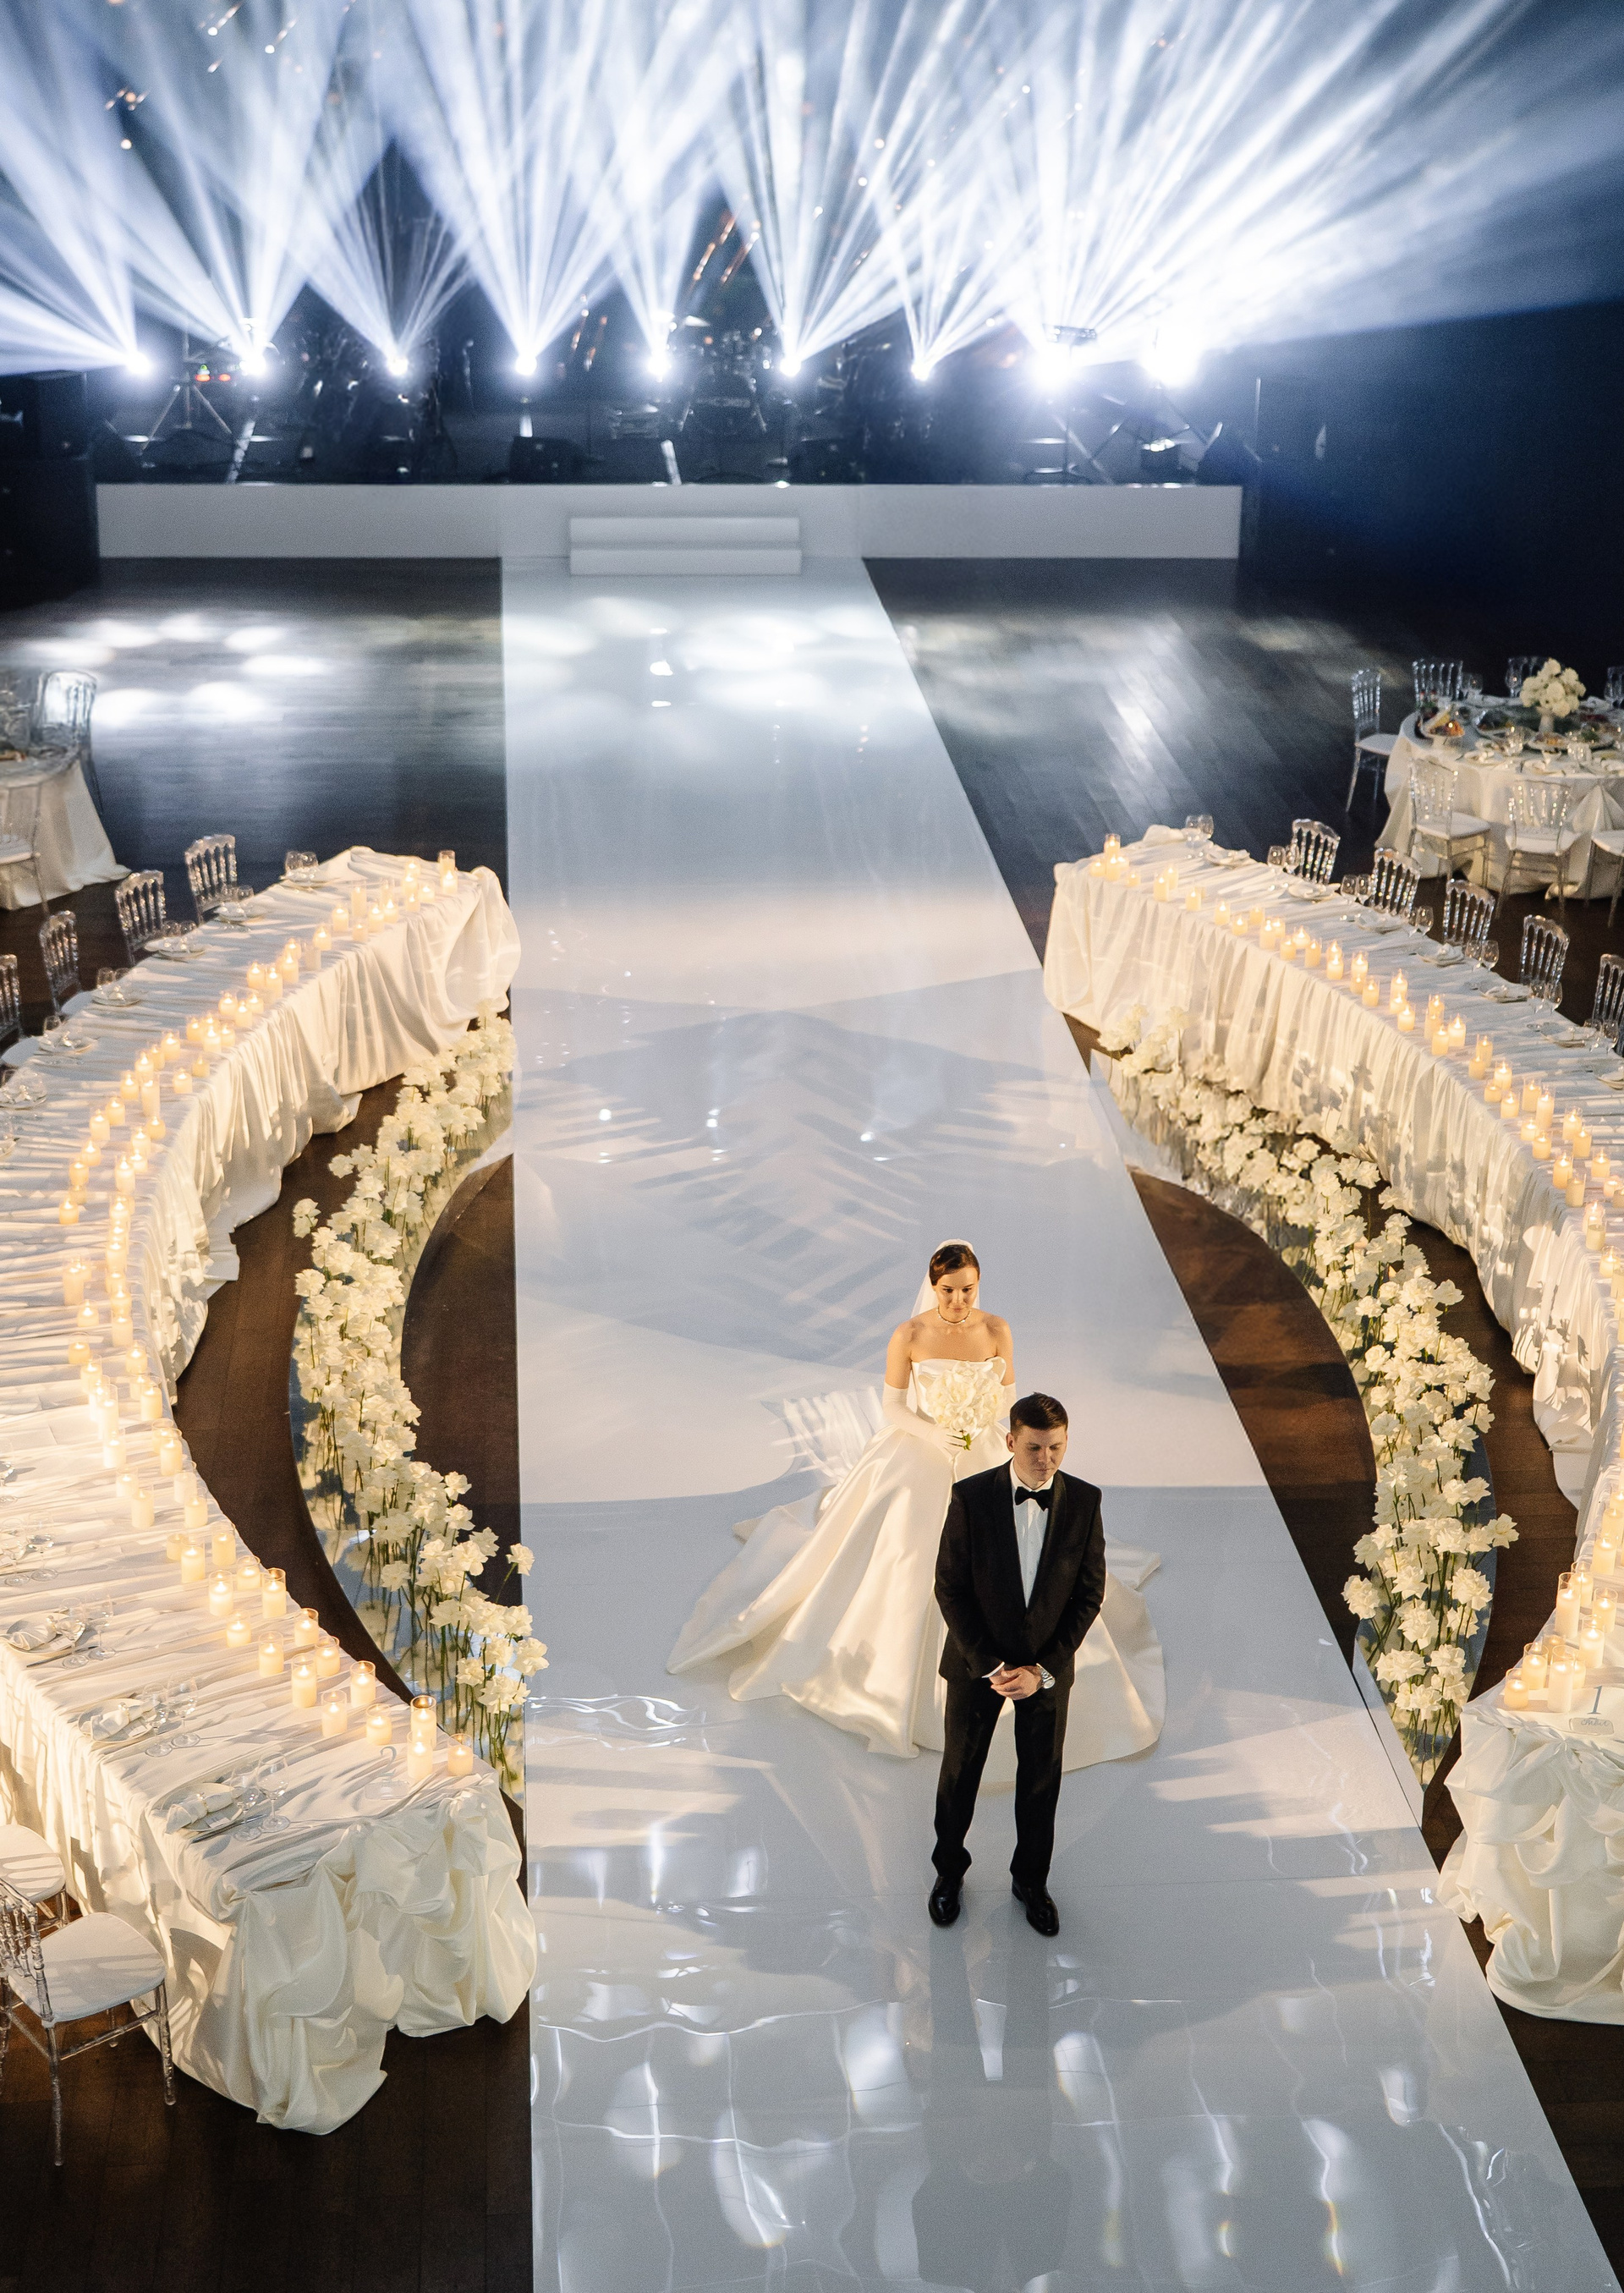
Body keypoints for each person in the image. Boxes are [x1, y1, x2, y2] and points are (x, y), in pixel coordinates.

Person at [669, 1242, 1162, 1786]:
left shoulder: (997, 1329)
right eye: (947, 1290)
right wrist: (936, 1432)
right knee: (908, 1536)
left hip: (983, 1446)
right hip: (923, 1447)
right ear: (932, 1286)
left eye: (967, 1289)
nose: (957, 1300)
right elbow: (892, 1407)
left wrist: (982, 1423)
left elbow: (1009, 1398)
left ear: (979, 1284)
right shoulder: (908, 1335)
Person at [930, 1393, 1100, 1936]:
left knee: (1041, 1782)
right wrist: (990, 1664)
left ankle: (1031, 1882)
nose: (1046, 1460)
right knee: (960, 1774)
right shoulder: (971, 1497)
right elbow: (949, 1587)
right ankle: (949, 1873)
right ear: (1010, 1441)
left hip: (1045, 1672)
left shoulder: (1086, 1501)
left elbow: (1088, 1596)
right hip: (977, 1663)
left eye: (1056, 1448)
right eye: (1034, 1448)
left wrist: (1042, 1671)